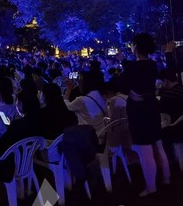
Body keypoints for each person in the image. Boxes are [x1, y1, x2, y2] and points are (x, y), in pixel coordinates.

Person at [117, 33, 170, 196]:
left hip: (139, 111)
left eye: (133, 44)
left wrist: (123, 62)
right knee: (158, 145)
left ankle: (151, 186)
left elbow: (123, 85)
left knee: (145, 150)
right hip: (152, 106)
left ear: (136, 47)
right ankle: (166, 178)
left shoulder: (132, 67)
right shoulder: (153, 65)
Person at [65, 70, 108, 137]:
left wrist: (68, 89)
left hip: (88, 135)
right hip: (102, 132)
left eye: (80, 82)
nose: (79, 84)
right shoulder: (98, 93)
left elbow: (67, 106)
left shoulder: (81, 100)